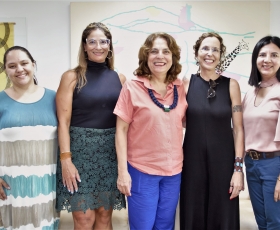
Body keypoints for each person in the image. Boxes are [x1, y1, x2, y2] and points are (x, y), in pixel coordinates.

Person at [55, 22, 126, 230]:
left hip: (109, 154)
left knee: (104, 218)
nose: (98, 46)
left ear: (110, 45)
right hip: (79, 154)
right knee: (84, 220)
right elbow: (63, 122)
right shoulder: (71, 77)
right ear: (84, 46)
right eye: (92, 42)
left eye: (103, 41)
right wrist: (66, 160)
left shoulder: (119, 78)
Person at [114, 32, 188, 230]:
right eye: (154, 51)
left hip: (174, 172)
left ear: (173, 57)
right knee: (143, 226)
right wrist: (122, 172)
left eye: (166, 51)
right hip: (141, 170)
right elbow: (120, 130)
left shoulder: (180, 88)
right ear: (146, 56)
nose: (160, 56)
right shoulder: (132, 87)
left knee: (165, 225)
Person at [180, 32, 244, 230]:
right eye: (205, 48)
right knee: (193, 216)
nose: (210, 53)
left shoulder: (232, 85)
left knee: (223, 218)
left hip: (224, 164)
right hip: (192, 162)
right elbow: (179, 121)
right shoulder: (186, 83)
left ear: (221, 54)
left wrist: (238, 169)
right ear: (197, 53)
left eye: (215, 49)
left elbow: (239, 130)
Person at [0, 46, 59, 229]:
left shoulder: (54, 98)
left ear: (33, 65)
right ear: (5, 70)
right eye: (12, 65)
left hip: (47, 188)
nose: (19, 69)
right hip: (10, 188)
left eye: (24, 63)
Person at [243, 35, 280, 230]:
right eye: (262, 54)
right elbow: (240, 129)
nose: (267, 59)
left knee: (275, 222)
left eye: (274, 55)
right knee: (262, 222)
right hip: (252, 163)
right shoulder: (251, 92)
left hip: (275, 164)